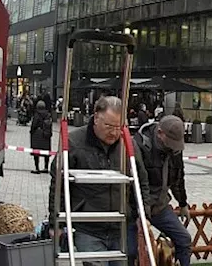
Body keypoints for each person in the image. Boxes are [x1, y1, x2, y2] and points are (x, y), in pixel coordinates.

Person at [49, 96, 149, 266]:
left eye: (118, 127)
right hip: (88, 228)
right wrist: (55, 222)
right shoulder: (74, 143)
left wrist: (143, 214)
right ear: (96, 118)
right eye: (109, 126)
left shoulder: (127, 145)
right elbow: (57, 185)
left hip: (121, 226)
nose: (114, 133)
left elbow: (141, 181)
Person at [134, 115, 193, 266]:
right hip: (136, 208)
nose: (174, 147)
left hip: (160, 206)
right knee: (132, 250)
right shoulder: (139, 145)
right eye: (171, 142)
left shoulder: (175, 149)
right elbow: (140, 184)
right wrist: (143, 216)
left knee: (184, 239)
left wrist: (183, 203)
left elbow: (178, 177)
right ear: (160, 133)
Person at [29, 100, 53, 174]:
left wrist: (31, 131)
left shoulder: (37, 114)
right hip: (46, 135)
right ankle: (46, 167)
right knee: (46, 151)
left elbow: (34, 125)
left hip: (37, 135)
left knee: (36, 152)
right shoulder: (48, 114)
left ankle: (37, 168)